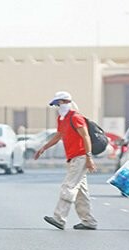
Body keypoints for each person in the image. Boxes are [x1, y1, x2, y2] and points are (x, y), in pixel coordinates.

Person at [34, 91, 98, 230]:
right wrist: (44, 147)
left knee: (68, 187)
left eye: (59, 103)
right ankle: (89, 221)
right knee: (81, 192)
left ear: (65, 102)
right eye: (56, 105)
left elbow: (85, 136)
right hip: (72, 158)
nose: (57, 107)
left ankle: (59, 218)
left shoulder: (76, 117)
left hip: (80, 157)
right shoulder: (62, 119)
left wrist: (89, 157)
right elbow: (58, 136)